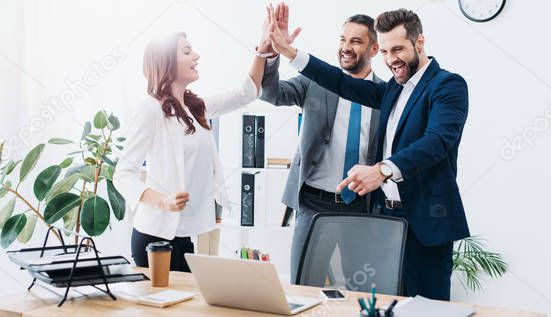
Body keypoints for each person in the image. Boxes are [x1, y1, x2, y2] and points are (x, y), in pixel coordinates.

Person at [267, 7, 470, 299]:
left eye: (398, 49)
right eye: (385, 51)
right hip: (385, 219)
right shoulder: (393, 90)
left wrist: (383, 170)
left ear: (420, 43)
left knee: (427, 307)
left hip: (425, 222)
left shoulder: (448, 85)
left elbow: (437, 141)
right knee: (379, 302)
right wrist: (289, 53)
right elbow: (340, 82)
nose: (391, 60)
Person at [114, 6, 274, 272]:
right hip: (155, 237)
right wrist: (163, 200)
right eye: (187, 51)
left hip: (184, 234)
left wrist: (262, 48)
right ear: (166, 62)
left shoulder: (195, 107)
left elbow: (246, 93)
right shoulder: (151, 109)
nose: (196, 56)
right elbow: (123, 174)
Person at [255, 6, 384, 285]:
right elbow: (271, 93)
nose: (346, 48)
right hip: (314, 202)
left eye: (356, 41)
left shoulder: (385, 95)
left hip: (361, 206)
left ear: (374, 49)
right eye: (343, 39)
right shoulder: (317, 81)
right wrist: (271, 52)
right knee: (304, 284)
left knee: (363, 288)